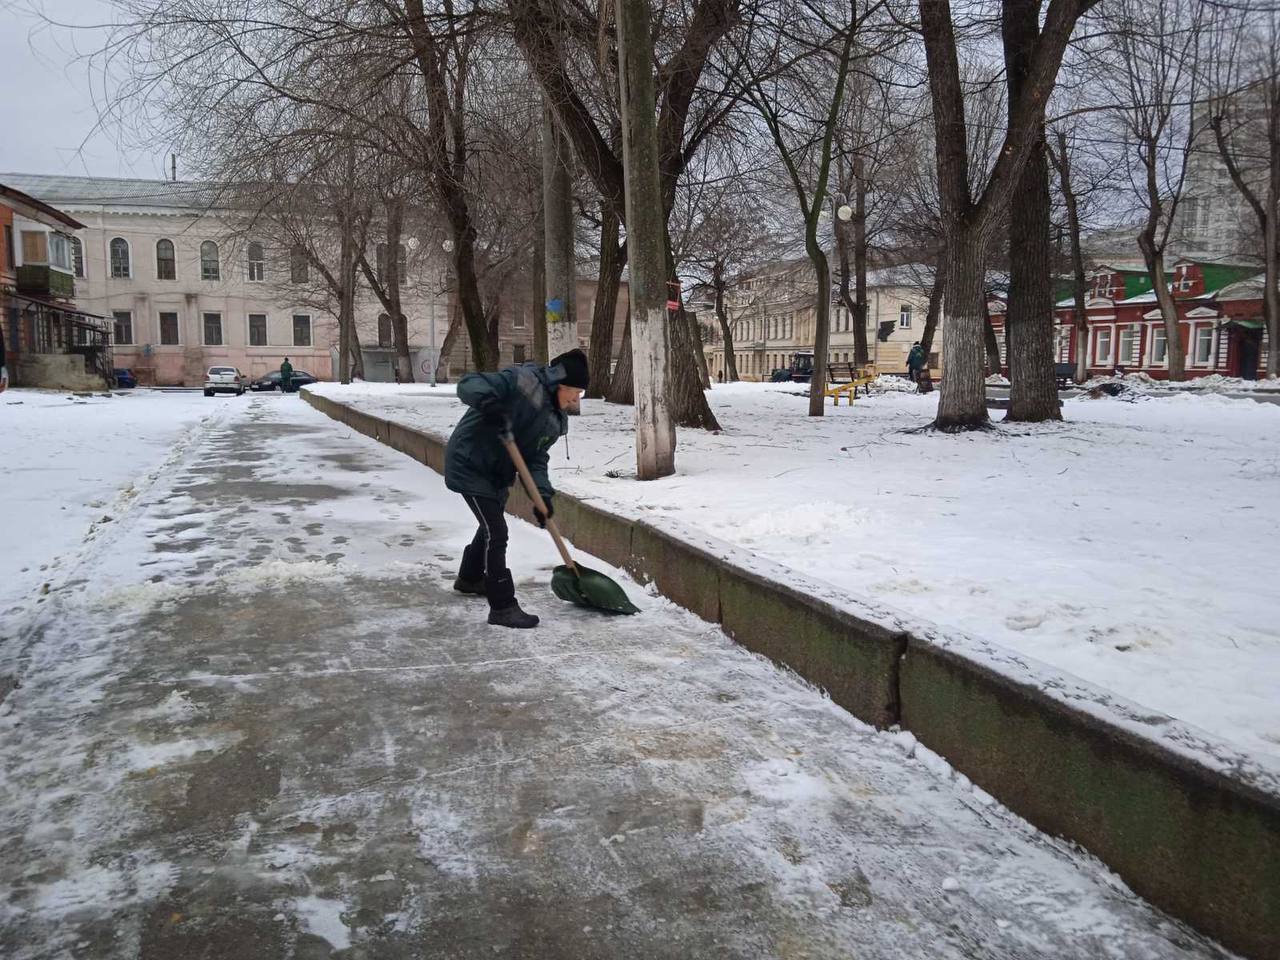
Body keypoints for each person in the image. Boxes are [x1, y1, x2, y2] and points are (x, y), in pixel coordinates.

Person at [445, 348, 589, 629]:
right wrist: (490, 404)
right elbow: (469, 384)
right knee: (496, 531)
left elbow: (536, 459)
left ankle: (470, 578)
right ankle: (502, 606)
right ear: (560, 384)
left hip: (497, 474)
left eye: (579, 394)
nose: (575, 399)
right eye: (575, 392)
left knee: (489, 526)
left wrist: (542, 496)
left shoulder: (555, 421)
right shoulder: (522, 381)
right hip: (470, 461)